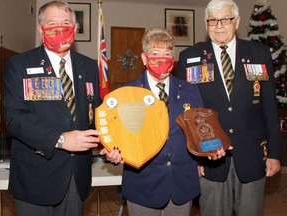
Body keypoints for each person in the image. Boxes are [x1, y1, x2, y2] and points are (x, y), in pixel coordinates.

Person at [101, 27, 227, 216]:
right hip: (143, 185)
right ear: (144, 58)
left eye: (167, 54)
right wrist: (114, 152)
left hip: (182, 184)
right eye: (155, 53)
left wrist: (210, 150)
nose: (162, 58)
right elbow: (116, 134)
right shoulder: (127, 93)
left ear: (173, 58)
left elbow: (199, 130)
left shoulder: (189, 90)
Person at [177, 0, 282, 215]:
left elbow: (270, 108)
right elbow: (186, 114)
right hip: (209, 157)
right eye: (213, 20)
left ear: (236, 21)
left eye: (225, 19)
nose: (219, 25)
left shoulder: (258, 53)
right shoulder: (189, 58)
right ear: (206, 24)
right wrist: (195, 157)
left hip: (252, 154)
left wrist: (274, 153)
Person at [2, 1, 102, 216]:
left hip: (77, 176)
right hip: (35, 175)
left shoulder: (89, 66)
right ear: (40, 29)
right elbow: (14, 117)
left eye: (66, 22)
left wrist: (112, 143)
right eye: (52, 23)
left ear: (75, 27)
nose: (60, 28)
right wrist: (61, 139)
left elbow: (97, 111)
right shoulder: (19, 64)